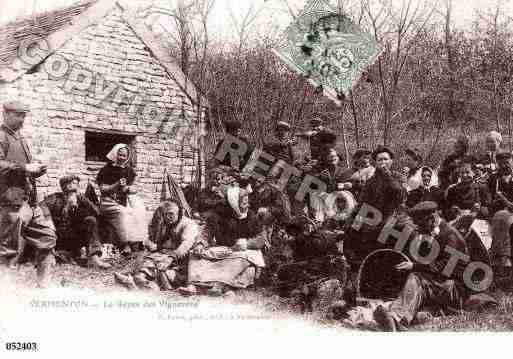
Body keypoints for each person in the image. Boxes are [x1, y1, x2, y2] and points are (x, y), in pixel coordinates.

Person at [345, 201, 471, 331]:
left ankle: (397, 318)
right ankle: (400, 313)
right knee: (413, 281)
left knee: (416, 279)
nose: (418, 228)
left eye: (420, 224)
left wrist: (414, 266)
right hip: (440, 282)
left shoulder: (451, 236)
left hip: (454, 288)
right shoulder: (437, 232)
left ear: (431, 219)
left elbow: (446, 268)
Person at [182, 186, 267, 296]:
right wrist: (200, 243)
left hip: (244, 251)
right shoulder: (219, 215)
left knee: (240, 260)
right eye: (244, 203)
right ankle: (193, 285)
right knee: (195, 254)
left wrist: (247, 243)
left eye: (247, 202)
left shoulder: (251, 216)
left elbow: (261, 238)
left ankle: (219, 285)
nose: (248, 205)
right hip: (224, 249)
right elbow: (206, 232)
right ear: (233, 203)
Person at [114, 201, 205, 291]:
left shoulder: (188, 225)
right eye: (165, 214)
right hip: (167, 255)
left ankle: (148, 286)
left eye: (171, 214)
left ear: (179, 213)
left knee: (162, 269)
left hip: (183, 259)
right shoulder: (166, 224)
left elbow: (186, 245)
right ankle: (137, 280)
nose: (168, 217)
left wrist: (170, 258)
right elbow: (160, 242)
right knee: (147, 263)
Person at [39, 175, 110, 269]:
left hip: (76, 236)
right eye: (69, 184)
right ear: (63, 187)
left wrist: (83, 200)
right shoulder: (55, 198)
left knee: (91, 220)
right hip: (58, 237)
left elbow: (96, 212)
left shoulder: (82, 199)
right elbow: (41, 206)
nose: (72, 186)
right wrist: (49, 219)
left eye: (75, 183)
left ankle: (93, 258)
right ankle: (57, 255)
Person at [0, 187, 56, 287]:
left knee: (48, 238)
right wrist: (24, 170)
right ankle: (5, 288)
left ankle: (43, 285)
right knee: (10, 249)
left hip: (30, 205)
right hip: (11, 205)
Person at [96, 143, 140, 255]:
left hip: (124, 201)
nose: (122, 158)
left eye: (124, 156)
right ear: (115, 154)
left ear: (127, 157)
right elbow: (103, 189)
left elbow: (133, 188)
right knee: (123, 213)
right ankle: (125, 244)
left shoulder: (129, 171)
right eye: (120, 155)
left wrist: (128, 188)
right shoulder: (106, 169)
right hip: (108, 201)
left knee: (138, 212)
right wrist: (116, 185)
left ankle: (137, 244)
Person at [0, 101, 47, 204]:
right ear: (5, 114)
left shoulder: (21, 139)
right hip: (8, 201)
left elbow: (24, 170)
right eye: (18, 115)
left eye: (23, 116)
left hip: (28, 199)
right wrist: (25, 167)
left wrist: (37, 169)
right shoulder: (2, 136)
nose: (21, 120)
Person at [487, 152, 513, 283]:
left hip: (509, 211)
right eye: (501, 163)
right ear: (497, 164)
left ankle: (503, 260)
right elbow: (488, 199)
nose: (505, 165)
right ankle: (499, 260)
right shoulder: (493, 179)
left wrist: (506, 202)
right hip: (497, 212)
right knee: (499, 217)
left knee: (502, 217)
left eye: (507, 162)